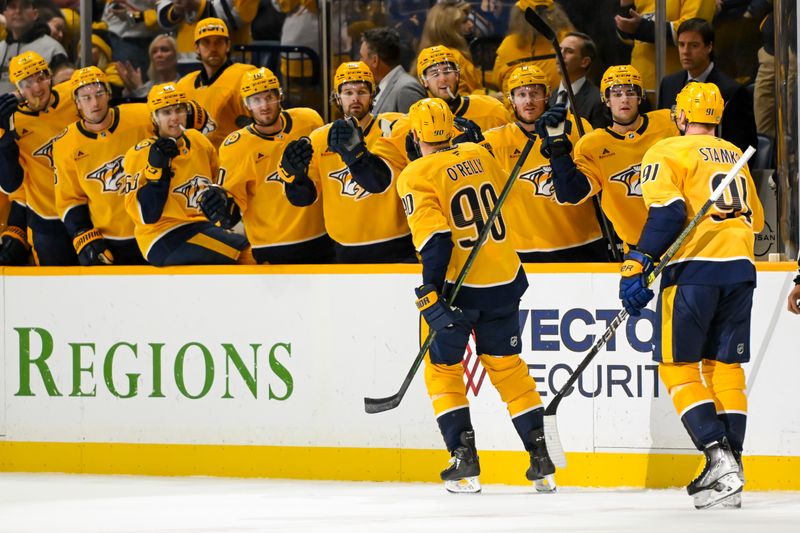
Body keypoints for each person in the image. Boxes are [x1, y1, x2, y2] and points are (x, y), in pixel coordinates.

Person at [397, 97, 555, 494]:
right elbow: (505, 193)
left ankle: (464, 462)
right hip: (503, 279)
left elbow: (435, 240)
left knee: (444, 369)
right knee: (508, 369)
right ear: (452, 128)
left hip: (458, 291)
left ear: (416, 136)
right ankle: (541, 457)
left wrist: (430, 290)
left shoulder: (415, 174)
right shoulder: (477, 153)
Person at [621, 82, 763, 509]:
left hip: (695, 271)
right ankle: (731, 470)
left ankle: (717, 458)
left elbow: (667, 213)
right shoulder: (736, 156)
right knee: (724, 369)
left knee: (679, 368)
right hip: (740, 269)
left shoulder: (668, 151)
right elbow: (754, 223)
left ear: (681, 116)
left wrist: (638, 260)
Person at [280, 61, 413, 263]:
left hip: (398, 246)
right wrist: (295, 178)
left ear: (373, 95)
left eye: (362, 91)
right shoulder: (319, 138)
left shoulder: (394, 126)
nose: (355, 98)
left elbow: (382, 182)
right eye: (348, 92)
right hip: (346, 250)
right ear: (337, 97)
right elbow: (305, 199)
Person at [201, 66, 333, 264]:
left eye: (268, 96)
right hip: (272, 248)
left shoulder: (309, 120)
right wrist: (222, 207)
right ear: (247, 104)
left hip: (322, 239)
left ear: (279, 96)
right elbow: (232, 206)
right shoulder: (236, 146)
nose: (264, 105)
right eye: (256, 99)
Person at [539, 64, 679, 251]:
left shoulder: (668, 123)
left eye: (630, 92)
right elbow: (570, 195)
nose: (624, 99)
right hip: (638, 249)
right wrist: (558, 153)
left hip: (681, 240)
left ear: (640, 97)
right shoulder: (593, 145)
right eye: (616, 94)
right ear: (606, 100)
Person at [483, 64, 606, 262]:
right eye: (521, 94)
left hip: (584, 242)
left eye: (535, 93)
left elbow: (595, 180)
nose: (529, 101)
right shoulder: (495, 141)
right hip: (525, 250)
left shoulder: (577, 127)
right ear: (511, 100)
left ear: (547, 95)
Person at [122, 83, 248, 265]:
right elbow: (146, 216)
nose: (174, 118)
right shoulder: (139, 154)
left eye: (179, 109)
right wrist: (158, 175)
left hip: (203, 226)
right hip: (164, 235)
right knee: (247, 254)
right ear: (154, 117)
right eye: (166, 112)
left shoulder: (198, 140)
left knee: (260, 241)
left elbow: (219, 185)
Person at [53, 66, 153, 265]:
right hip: (108, 240)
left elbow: (175, 113)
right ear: (77, 104)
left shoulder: (142, 116)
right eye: (86, 97)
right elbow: (70, 199)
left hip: (152, 232)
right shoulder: (65, 143)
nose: (94, 102)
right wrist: (82, 234)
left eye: (99, 93)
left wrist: (192, 112)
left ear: (108, 94)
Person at [0, 50, 78, 266]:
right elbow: (9, 184)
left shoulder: (74, 95)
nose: (37, 88)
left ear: (50, 76)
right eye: (27, 83)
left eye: (41, 78)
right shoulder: (11, 120)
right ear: (17, 89)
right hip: (46, 217)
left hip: (86, 211)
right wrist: (2, 137)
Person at [657, 18, 757, 155]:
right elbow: (661, 134)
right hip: (673, 166)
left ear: (709, 47)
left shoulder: (732, 91)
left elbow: (743, 147)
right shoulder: (668, 84)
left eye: (694, 45)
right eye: (681, 44)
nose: (685, 51)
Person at [175, 17, 254, 148]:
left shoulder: (245, 76)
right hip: (197, 160)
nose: (213, 48)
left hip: (232, 159)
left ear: (227, 45)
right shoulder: (183, 85)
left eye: (218, 42)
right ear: (197, 48)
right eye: (206, 42)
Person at [614, 0, 715, 100]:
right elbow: (629, 39)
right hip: (639, 84)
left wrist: (644, 28)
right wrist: (625, 12)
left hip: (680, 87)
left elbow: (693, 32)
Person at [414, 0, 482, 94]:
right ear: (449, 28)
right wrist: (491, 99)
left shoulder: (426, 57)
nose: (470, 25)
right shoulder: (451, 58)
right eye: (464, 21)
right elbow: (458, 99)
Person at [0, 0, 68, 93]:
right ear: (5, 14)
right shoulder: (1, 48)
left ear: (35, 14)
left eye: (24, 6)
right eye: (12, 6)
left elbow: (64, 93)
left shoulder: (53, 49)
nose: (18, 11)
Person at [359, 27, 426, 115]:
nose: (359, 62)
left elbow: (416, 127)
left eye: (361, 57)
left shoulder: (406, 89)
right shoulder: (380, 87)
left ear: (375, 60)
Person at [549, 31, 609, 129]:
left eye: (569, 51)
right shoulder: (549, 96)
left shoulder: (598, 101)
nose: (560, 54)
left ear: (585, 62)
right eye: (559, 49)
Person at [117, 34, 180, 98]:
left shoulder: (183, 84)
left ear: (176, 55)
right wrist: (130, 89)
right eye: (154, 51)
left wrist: (139, 88)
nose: (158, 55)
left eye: (164, 50)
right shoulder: (148, 87)